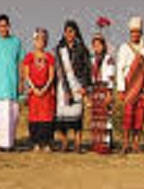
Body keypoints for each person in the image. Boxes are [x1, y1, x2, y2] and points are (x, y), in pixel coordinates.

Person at [0, 14, 24, 151]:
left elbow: (21, 63)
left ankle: (9, 144)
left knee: (12, 116)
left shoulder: (16, 42)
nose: (3, 28)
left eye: (5, 26)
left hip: (12, 85)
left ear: (9, 26)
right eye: (0, 26)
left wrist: (21, 83)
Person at [55, 20, 91, 153]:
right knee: (62, 118)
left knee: (77, 116)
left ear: (76, 32)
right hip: (63, 85)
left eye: (71, 31)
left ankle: (77, 144)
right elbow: (57, 69)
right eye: (67, 31)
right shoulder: (59, 49)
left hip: (77, 84)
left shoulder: (82, 48)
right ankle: (64, 143)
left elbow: (87, 68)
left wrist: (85, 86)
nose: (69, 34)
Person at [116, 16, 144, 154]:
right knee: (128, 116)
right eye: (133, 32)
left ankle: (136, 144)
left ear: (141, 33)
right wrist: (121, 88)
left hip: (141, 86)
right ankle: (125, 143)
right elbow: (120, 68)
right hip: (128, 86)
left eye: (137, 32)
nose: (135, 35)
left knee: (139, 117)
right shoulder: (124, 48)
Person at [24, 28, 56, 152]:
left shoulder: (50, 57)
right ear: (34, 41)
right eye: (38, 39)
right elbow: (26, 75)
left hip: (46, 91)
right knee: (34, 117)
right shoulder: (29, 57)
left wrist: (45, 88)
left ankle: (46, 143)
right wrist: (34, 88)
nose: (40, 42)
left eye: (43, 40)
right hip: (34, 92)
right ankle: (36, 143)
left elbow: (51, 75)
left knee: (46, 117)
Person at [88, 34, 116, 154]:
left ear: (104, 46)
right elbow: (90, 77)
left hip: (105, 89)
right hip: (95, 90)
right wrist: (89, 94)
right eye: (95, 45)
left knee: (106, 118)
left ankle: (106, 145)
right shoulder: (92, 59)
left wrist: (109, 93)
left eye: (99, 44)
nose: (97, 47)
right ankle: (96, 144)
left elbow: (110, 77)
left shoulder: (109, 59)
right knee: (96, 119)